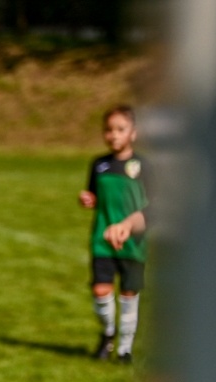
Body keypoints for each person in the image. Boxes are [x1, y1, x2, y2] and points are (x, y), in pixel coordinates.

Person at [79, 105, 149, 362]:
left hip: (134, 242)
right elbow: (95, 196)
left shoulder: (143, 166)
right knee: (100, 290)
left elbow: (152, 206)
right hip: (102, 239)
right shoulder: (99, 165)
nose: (113, 135)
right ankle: (108, 333)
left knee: (129, 292)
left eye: (120, 129)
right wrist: (89, 199)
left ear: (133, 133)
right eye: (108, 130)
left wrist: (130, 226)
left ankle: (125, 349)